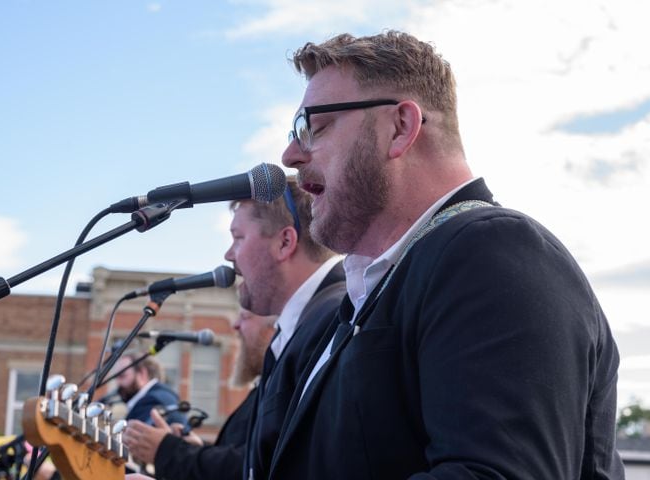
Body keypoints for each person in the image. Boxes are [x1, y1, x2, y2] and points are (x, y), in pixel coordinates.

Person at [268, 31, 624, 479]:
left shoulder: (493, 252)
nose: (290, 155)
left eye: (312, 127)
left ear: (400, 127)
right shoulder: (380, 289)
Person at [125, 178, 346, 480]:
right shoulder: (304, 325)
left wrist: (175, 455)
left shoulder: (335, 319)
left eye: (238, 238)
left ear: (285, 242)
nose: (230, 255)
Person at [124, 309, 277, 479]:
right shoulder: (265, 385)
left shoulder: (279, 387)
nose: (235, 325)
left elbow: (250, 464)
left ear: (276, 326)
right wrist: (196, 448)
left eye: (245, 316)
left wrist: (169, 451)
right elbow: (237, 451)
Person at [115, 352, 187, 426]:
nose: (118, 383)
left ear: (142, 373)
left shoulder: (151, 401)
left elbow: (134, 435)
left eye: (122, 375)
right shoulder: (163, 395)